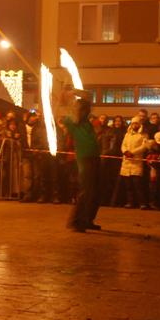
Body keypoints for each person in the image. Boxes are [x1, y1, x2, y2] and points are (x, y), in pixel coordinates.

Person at [63, 98, 101, 232]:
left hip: (95, 157)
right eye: (84, 109)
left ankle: (87, 220)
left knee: (96, 191)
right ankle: (76, 221)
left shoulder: (86, 123)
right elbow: (65, 114)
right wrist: (69, 97)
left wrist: (76, 93)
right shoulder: (73, 122)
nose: (87, 111)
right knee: (85, 190)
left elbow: (88, 96)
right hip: (84, 159)